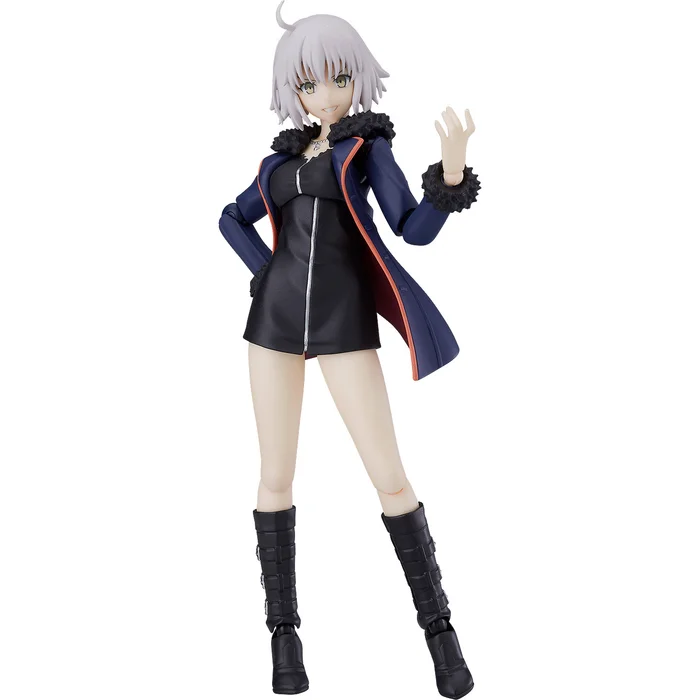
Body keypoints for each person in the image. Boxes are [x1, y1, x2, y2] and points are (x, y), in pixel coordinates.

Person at [218, 2, 481, 696]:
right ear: (293, 90)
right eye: (309, 83)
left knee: (389, 477)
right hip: (272, 326)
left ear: (356, 78)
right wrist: (265, 271)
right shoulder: (278, 161)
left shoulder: (366, 149)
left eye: (338, 78)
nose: (326, 94)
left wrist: (452, 177)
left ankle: (440, 632)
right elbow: (231, 217)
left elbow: (411, 228)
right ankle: (284, 637)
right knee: (275, 475)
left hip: (342, 323)